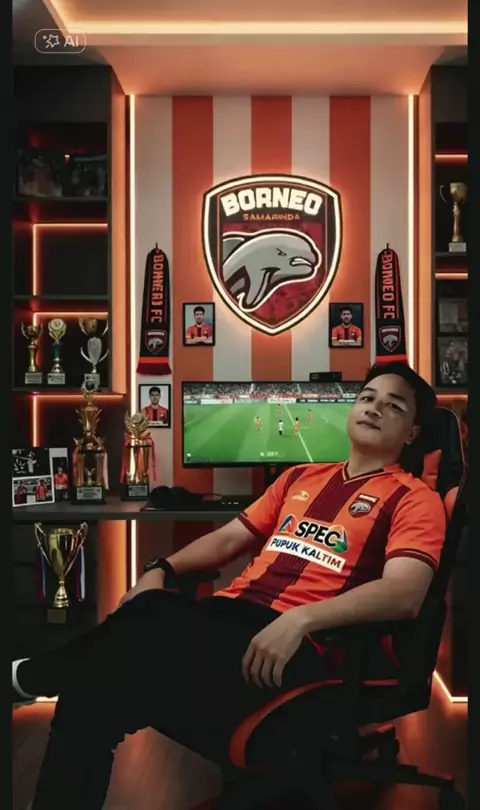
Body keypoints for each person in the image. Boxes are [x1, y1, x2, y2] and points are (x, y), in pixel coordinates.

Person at [13, 362, 446, 810]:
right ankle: (34, 681)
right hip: (230, 622)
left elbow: (404, 593)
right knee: (90, 695)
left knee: (146, 618)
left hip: (300, 644)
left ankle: (29, 677)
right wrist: (160, 568)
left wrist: (301, 619)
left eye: (393, 406)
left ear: (412, 433)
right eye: (368, 397)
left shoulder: (416, 499)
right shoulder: (300, 477)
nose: (374, 408)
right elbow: (226, 540)